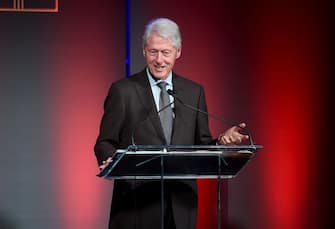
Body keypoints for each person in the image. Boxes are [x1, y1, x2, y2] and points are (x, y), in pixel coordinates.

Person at [94, 18, 249, 229]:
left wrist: (223, 141)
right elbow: (105, 142)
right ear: (143, 51)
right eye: (153, 52)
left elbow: (201, 145)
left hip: (180, 204)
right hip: (136, 205)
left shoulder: (193, 92)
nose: (159, 60)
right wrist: (111, 159)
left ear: (178, 52)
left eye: (166, 52)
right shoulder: (123, 91)